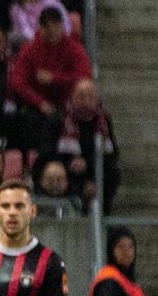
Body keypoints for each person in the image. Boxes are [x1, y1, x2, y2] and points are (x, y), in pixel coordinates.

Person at [7, 7, 91, 153]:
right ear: (41, 27)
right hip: (38, 104)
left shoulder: (74, 49)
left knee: (58, 121)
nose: (52, 31)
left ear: (61, 26)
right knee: (25, 122)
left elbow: (84, 76)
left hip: (67, 104)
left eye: (55, 26)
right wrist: (39, 102)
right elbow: (17, 81)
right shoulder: (30, 49)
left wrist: (55, 78)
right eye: (48, 27)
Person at [54, 77, 119, 214]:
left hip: (95, 169)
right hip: (68, 168)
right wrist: (71, 163)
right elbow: (49, 150)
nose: (86, 102)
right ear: (73, 97)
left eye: (90, 97)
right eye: (81, 97)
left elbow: (112, 153)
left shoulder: (103, 121)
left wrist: (88, 166)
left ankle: (103, 215)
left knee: (112, 171)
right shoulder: (59, 118)